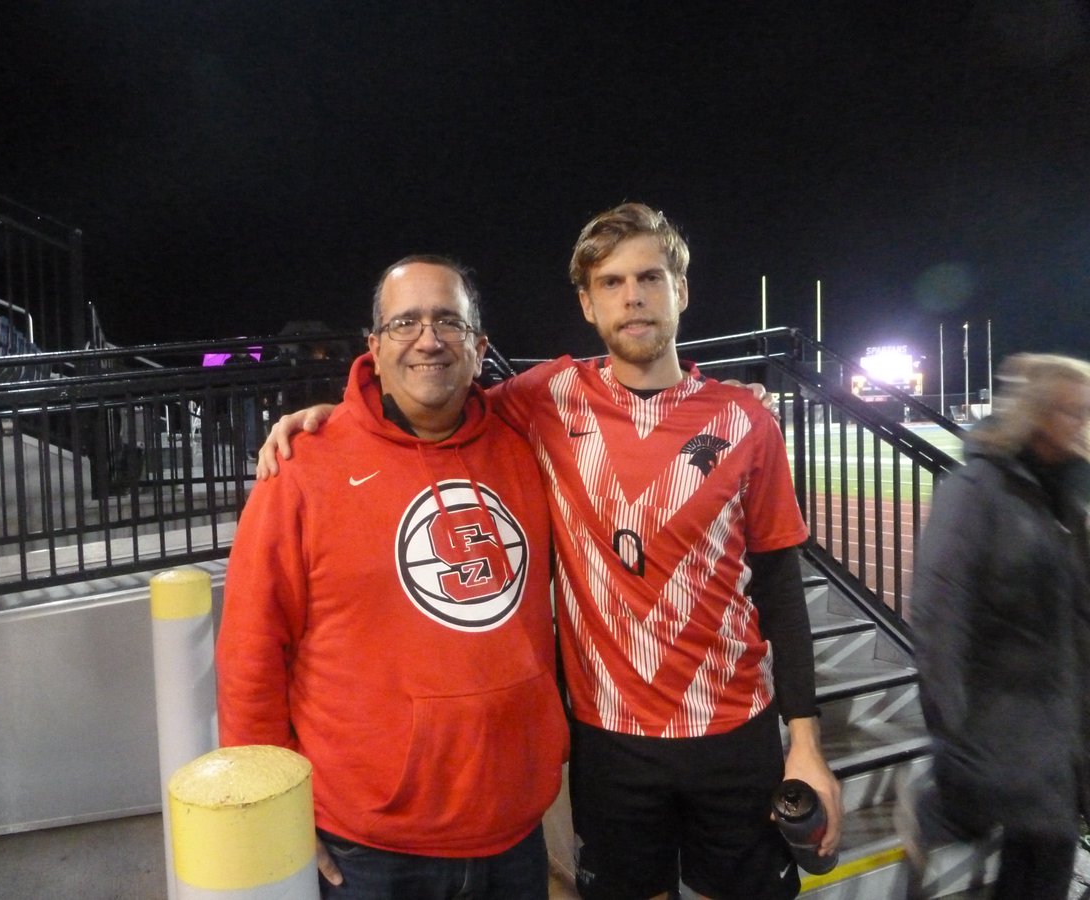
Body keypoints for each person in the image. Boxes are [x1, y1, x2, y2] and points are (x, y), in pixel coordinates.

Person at [258, 202, 842, 899]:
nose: (634, 297)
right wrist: (334, 418)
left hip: (734, 733)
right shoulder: (545, 399)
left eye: (651, 278)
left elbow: (781, 586)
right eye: (613, 283)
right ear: (588, 304)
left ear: (680, 291)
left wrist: (804, 743)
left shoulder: (745, 420)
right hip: (609, 742)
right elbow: (432, 398)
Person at [215, 256, 569, 899]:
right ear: (373, 349)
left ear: (480, 346)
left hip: (514, 830)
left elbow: (613, 381)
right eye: (405, 322)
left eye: (449, 321)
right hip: (368, 850)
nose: (429, 339)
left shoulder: (527, 449)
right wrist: (271, 804)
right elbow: (250, 649)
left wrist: (719, 398)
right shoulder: (303, 468)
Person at [901, 353, 1090, 900]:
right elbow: (939, 615)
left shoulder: (1068, 497)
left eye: (1086, 413)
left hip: (1058, 723)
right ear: (1035, 414)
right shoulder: (976, 490)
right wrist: (952, 728)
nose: (1081, 426)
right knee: (1043, 852)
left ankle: (942, 809)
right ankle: (936, 808)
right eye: (1068, 412)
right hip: (1000, 719)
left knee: (1043, 860)